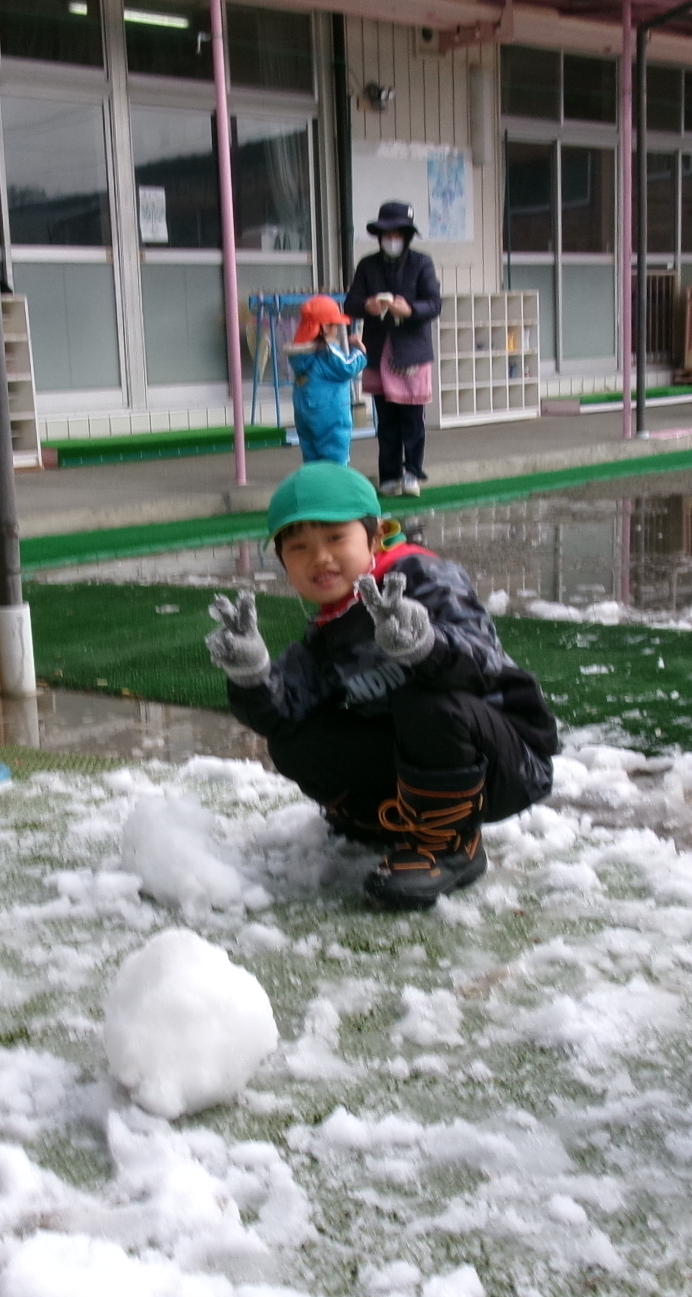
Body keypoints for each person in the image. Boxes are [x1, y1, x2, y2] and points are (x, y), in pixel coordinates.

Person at [204, 461, 557, 911]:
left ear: (374, 538)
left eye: (335, 538)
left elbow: (482, 660)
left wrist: (425, 645)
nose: (320, 558)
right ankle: (386, 825)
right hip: (419, 767)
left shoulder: (422, 579)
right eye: (299, 547)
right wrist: (250, 674)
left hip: (507, 762)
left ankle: (451, 847)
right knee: (295, 738)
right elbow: (281, 709)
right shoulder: (328, 632)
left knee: (427, 702)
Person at [344, 201, 440, 499]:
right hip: (378, 348)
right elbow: (350, 303)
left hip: (411, 352)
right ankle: (389, 475)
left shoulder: (422, 263)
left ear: (407, 236)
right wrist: (367, 306)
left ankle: (412, 473)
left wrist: (409, 308)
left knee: (412, 418)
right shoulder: (367, 265)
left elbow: (435, 304)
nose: (392, 238)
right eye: (387, 233)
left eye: (398, 233)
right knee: (385, 419)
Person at [284, 295, 367, 466]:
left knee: (311, 454)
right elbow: (347, 368)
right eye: (335, 325)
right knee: (335, 454)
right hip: (330, 411)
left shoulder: (299, 355)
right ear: (324, 327)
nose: (337, 329)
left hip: (304, 410)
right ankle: (334, 488)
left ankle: (314, 487)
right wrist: (360, 351)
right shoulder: (328, 351)